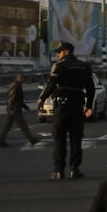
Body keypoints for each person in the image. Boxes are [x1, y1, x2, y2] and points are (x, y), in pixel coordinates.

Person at [36, 42, 96, 180]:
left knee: (59, 138)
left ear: (67, 51)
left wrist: (42, 99)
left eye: (60, 51)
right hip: (77, 106)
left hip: (62, 107)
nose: (58, 54)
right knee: (76, 139)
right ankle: (75, 169)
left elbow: (51, 84)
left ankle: (59, 170)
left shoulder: (59, 66)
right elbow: (90, 88)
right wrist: (89, 106)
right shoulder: (84, 66)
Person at [0, 71, 39, 147]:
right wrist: (11, 109)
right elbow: (11, 98)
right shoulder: (15, 85)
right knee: (23, 126)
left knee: (7, 126)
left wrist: (24, 106)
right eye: (22, 78)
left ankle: (1, 141)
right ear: (18, 78)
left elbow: (18, 99)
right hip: (14, 110)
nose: (23, 79)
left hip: (14, 109)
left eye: (23, 78)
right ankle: (32, 140)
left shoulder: (18, 85)